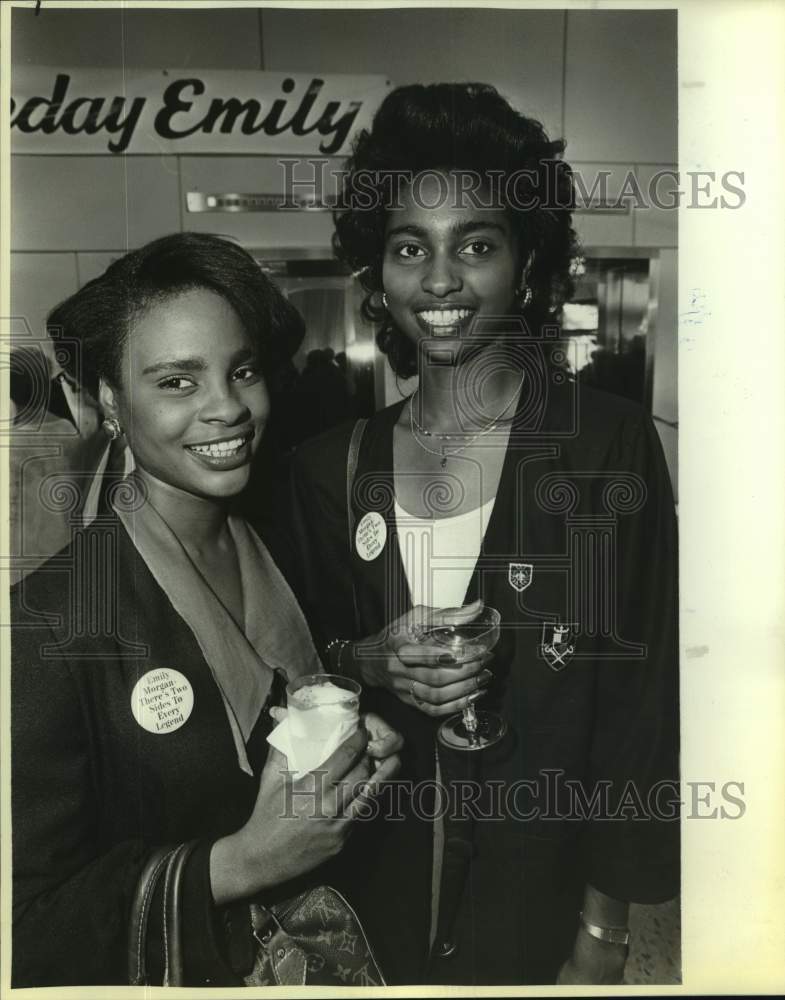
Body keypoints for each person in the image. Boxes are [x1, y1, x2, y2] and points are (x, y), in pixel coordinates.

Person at [287, 83, 679, 985]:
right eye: (407, 249)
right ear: (375, 276)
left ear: (527, 264)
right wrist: (367, 661)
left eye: (475, 245)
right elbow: (289, 667)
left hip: (532, 891)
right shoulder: (329, 469)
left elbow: (637, 700)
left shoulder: (602, 444)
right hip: (367, 887)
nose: (438, 281)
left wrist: (604, 932)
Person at [10, 232, 404, 987]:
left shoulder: (282, 548)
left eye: (242, 370)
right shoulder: (48, 624)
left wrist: (353, 743)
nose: (228, 408)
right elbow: (23, 929)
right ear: (108, 402)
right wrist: (236, 865)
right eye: (177, 383)